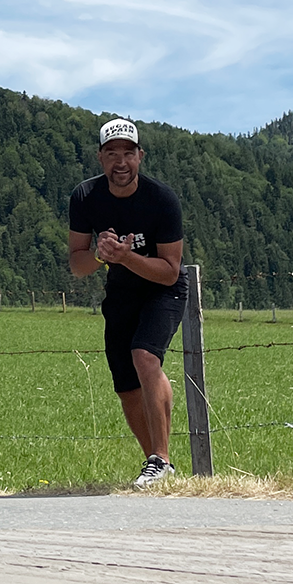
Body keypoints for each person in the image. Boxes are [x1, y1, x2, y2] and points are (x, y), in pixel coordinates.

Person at [67, 118, 186, 488]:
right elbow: (77, 264)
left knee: (145, 357)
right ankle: (158, 467)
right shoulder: (85, 197)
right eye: (112, 154)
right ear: (100, 158)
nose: (121, 162)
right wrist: (103, 257)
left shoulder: (161, 200)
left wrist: (123, 256)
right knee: (126, 387)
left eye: (129, 153)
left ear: (141, 156)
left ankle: (161, 458)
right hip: (121, 290)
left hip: (162, 289)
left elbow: (169, 271)